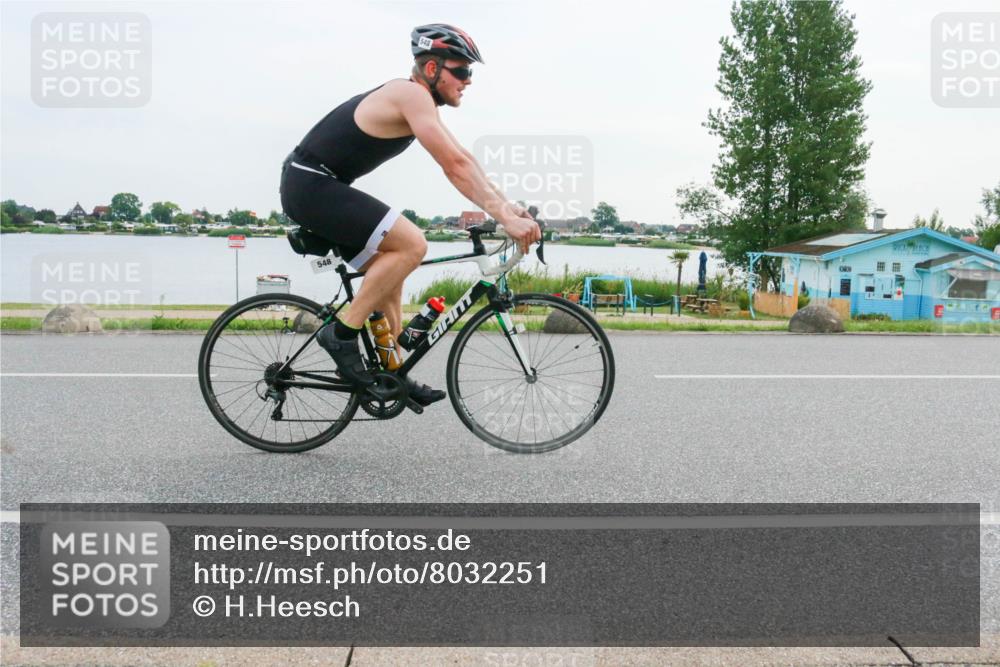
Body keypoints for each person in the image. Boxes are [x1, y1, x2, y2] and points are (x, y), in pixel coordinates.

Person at [280, 24, 541, 406]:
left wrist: (509, 208)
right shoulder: (410, 94)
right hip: (311, 185)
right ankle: (341, 334)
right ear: (432, 69)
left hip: (316, 185)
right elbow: (451, 165)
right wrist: (506, 218)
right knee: (413, 244)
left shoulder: (420, 102)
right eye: (462, 70)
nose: (468, 81)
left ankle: (390, 371)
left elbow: (465, 159)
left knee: (392, 272)